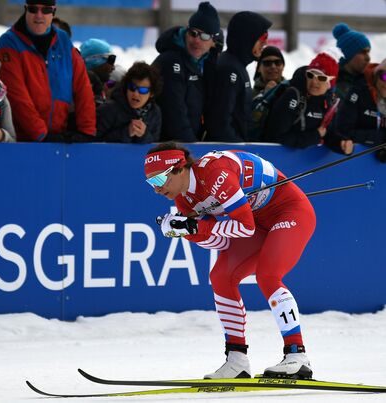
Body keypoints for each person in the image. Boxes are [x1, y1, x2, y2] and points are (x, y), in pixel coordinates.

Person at [144, 142, 316, 379]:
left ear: (179, 168)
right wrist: (187, 232)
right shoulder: (184, 201)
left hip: (289, 212)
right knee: (221, 277)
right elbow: (222, 243)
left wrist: (197, 225)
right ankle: (237, 360)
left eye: (158, 180)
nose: (156, 189)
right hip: (257, 223)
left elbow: (244, 227)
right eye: (150, 183)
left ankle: (297, 355)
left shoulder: (215, 173)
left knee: (268, 275)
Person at [0, 0, 96, 142]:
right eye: (33, 9)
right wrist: (41, 134)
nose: (39, 15)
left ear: (53, 12)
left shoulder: (63, 40)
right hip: (19, 140)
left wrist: (87, 130)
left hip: (58, 138)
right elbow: (16, 96)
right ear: (25, 10)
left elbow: (82, 86)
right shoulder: (9, 43)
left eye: (46, 10)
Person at [151, 1, 221, 142]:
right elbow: (174, 114)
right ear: (186, 33)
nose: (197, 40)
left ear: (214, 41)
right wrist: (192, 147)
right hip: (166, 146)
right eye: (193, 33)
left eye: (205, 36)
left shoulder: (207, 62)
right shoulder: (171, 61)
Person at [266, 53, 353, 154]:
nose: (314, 82)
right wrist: (315, 136)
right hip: (276, 159)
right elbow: (277, 137)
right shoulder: (292, 96)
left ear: (330, 83)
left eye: (321, 78)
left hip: (300, 163)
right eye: (311, 75)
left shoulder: (328, 101)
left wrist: (341, 144)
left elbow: (325, 133)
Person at [205, 11, 271, 142]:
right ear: (247, 39)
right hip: (228, 153)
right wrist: (239, 147)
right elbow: (220, 122)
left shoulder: (237, 65)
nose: (265, 44)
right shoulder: (230, 69)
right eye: (262, 38)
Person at [96, 61, 162, 143]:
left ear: (151, 93)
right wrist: (126, 132)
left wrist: (144, 135)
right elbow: (91, 143)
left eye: (142, 90)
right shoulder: (107, 110)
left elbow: (154, 145)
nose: (135, 93)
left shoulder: (154, 112)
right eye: (132, 87)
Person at [336, 58, 386, 161]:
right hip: (348, 161)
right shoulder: (358, 89)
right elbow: (343, 131)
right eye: (385, 77)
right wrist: (381, 138)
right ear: (376, 75)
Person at [332, 23, 371, 101]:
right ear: (347, 55)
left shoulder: (370, 82)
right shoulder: (333, 88)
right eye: (362, 52)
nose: (368, 58)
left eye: (368, 52)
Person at [80, 38, 116, 106]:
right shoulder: (78, 93)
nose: (113, 67)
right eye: (111, 60)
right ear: (93, 61)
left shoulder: (100, 92)